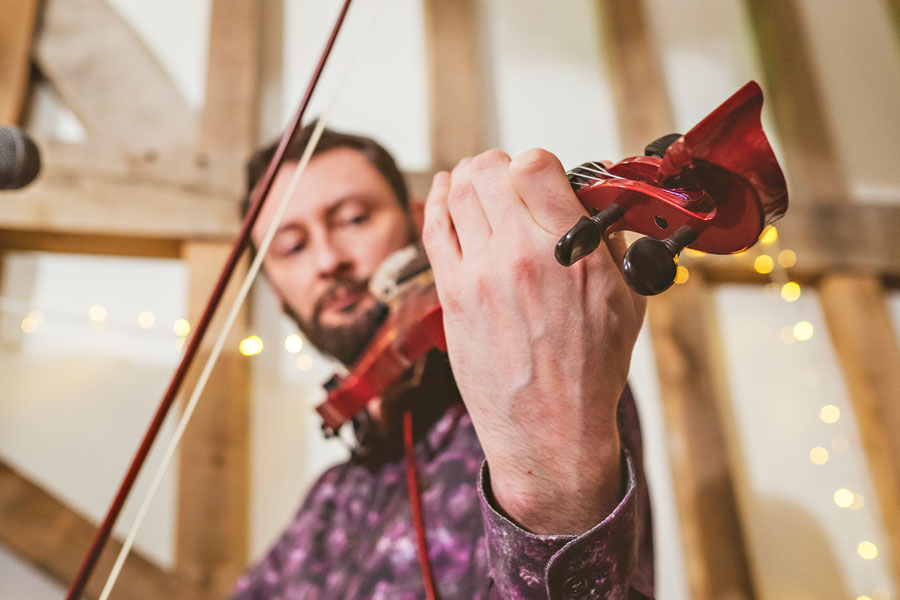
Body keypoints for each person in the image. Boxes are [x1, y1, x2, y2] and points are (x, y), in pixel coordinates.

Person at [228, 124, 654, 599]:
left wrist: (552, 474)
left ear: (419, 226)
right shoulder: (328, 504)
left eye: (352, 219)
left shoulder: (539, 381)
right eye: (292, 247)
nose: (328, 260)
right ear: (276, 293)